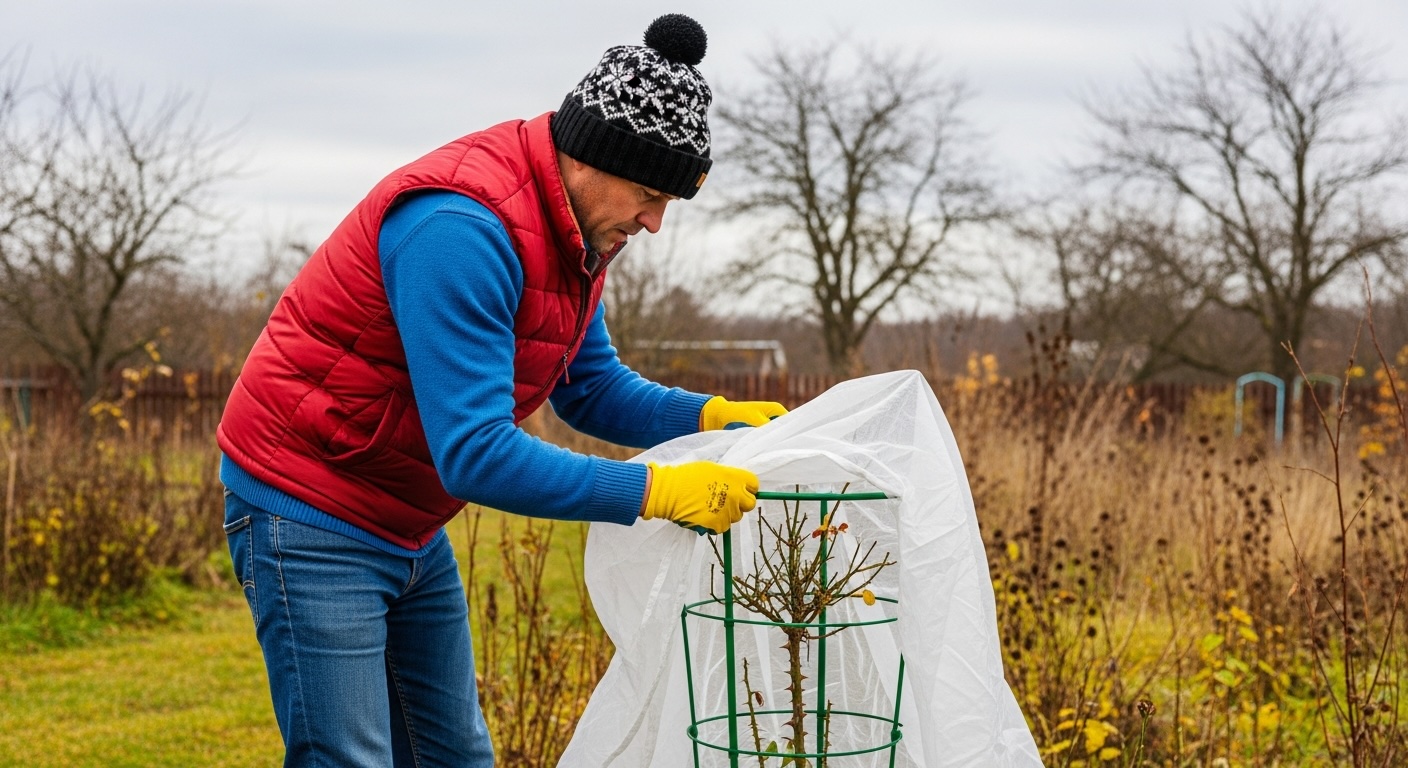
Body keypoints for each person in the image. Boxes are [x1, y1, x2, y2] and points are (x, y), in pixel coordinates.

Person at [216, 13, 786, 767]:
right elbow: (477, 455)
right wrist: (653, 490)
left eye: (669, 203)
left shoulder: (577, 231)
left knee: (455, 755)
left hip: (408, 521)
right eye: (649, 193)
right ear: (589, 156)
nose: (654, 223)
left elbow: (589, 389)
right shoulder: (462, 228)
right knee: (349, 757)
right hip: (312, 509)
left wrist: (710, 417)